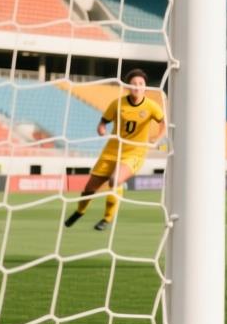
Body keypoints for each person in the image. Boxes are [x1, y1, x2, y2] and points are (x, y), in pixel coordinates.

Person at [65, 69, 165, 231]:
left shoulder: (151, 106)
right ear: (127, 86)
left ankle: (107, 218)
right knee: (89, 190)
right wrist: (101, 128)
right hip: (111, 151)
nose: (137, 87)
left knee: (114, 180)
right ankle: (80, 211)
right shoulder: (118, 104)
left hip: (134, 154)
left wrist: (157, 138)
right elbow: (103, 122)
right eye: (133, 84)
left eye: (141, 84)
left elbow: (163, 123)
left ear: (145, 87)